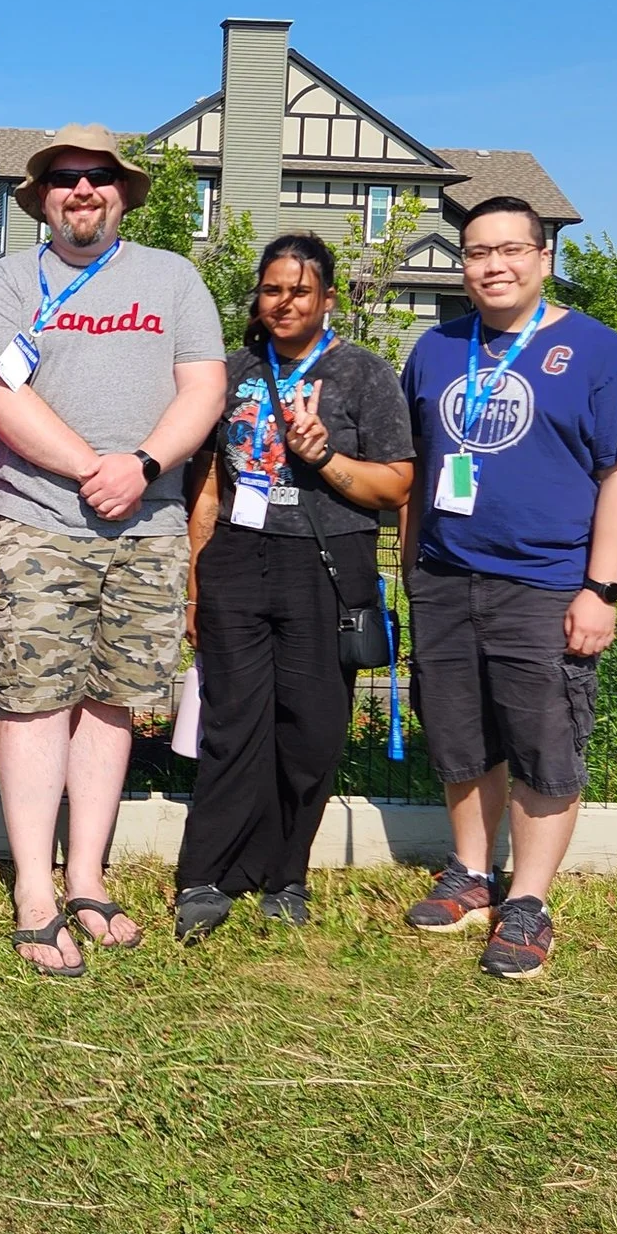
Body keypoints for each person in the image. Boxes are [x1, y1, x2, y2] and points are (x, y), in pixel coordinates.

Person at [0, 125, 226, 975]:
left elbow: (205, 386)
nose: (82, 190)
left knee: (113, 702)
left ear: (123, 193)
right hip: (38, 517)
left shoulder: (174, 278)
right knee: (35, 699)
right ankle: (36, 891)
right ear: (41, 197)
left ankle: (87, 875)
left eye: (99, 177)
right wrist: (90, 468)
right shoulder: (7, 281)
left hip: (148, 527)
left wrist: (143, 465)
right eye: (66, 178)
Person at [398, 194, 617, 980]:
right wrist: (412, 572)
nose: (493, 265)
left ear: (544, 258)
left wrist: (600, 589)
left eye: (510, 250)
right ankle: (471, 871)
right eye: (477, 252)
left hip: (546, 582)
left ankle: (529, 901)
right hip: (445, 575)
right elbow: (416, 471)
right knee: (459, 734)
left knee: (545, 743)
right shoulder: (436, 348)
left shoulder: (598, 351)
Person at [173, 233, 414, 941]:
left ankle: (286, 875)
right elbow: (209, 482)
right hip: (237, 559)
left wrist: (326, 456)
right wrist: (195, 575)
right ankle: (206, 874)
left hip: (326, 561)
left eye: (299, 290)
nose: (284, 301)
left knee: (310, 728)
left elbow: (395, 482)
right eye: (272, 289)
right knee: (232, 722)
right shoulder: (233, 370)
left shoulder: (365, 374)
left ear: (327, 298)